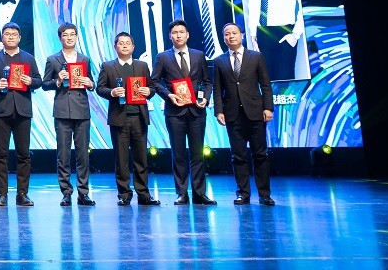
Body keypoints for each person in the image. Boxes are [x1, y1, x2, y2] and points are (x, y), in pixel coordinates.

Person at [150, 19, 217, 205]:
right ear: (170, 36)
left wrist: (205, 98)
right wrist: (168, 95)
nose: (178, 35)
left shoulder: (199, 55)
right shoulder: (163, 57)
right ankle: (181, 193)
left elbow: (207, 81)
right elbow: (154, 81)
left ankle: (199, 193)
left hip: (196, 111)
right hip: (174, 112)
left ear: (187, 35)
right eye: (175, 33)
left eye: (181, 32)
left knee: (197, 154)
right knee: (178, 154)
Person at [214, 23, 276, 206]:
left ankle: (264, 194)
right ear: (223, 38)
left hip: (256, 112)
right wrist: (219, 111)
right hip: (232, 114)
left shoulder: (256, 57)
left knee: (260, 155)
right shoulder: (219, 61)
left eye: (234, 33)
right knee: (238, 156)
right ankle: (243, 193)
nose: (231, 36)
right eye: (227, 34)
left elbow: (265, 84)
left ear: (241, 35)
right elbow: (217, 89)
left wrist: (268, 108)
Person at [96, 32, 160, 206]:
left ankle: (144, 194)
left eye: (128, 43)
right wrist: (112, 92)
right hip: (119, 118)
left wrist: (148, 92)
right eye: (121, 43)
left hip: (139, 117)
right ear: (115, 47)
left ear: (133, 47)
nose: (124, 45)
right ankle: (124, 194)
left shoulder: (142, 66)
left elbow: (152, 87)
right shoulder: (108, 66)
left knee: (141, 158)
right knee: (121, 159)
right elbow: (100, 88)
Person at [0, 22, 42, 206]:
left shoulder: (28, 58)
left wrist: (30, 81)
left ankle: (22, 193)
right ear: (2, 37)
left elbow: (39, 80)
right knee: (1, 154)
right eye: (7, 34)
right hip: (1, 111)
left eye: (14, 34)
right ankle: (2, 194)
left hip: (23, 110)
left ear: (19, 38)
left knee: (23, 154)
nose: (10, 37)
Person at [41, 23, 97, 206]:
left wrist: (90, 83)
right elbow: (45, 84)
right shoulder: (53, 59)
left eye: (73, 34)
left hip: (81, 110)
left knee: (83, 155)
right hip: (62, 110)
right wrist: (58, 80)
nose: (70, 37)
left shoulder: (85, 59)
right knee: (63, 155)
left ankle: (83, 193)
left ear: (77, 37)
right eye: (66, 35)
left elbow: (92, 83)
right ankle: (66, 192)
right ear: (60, 38)